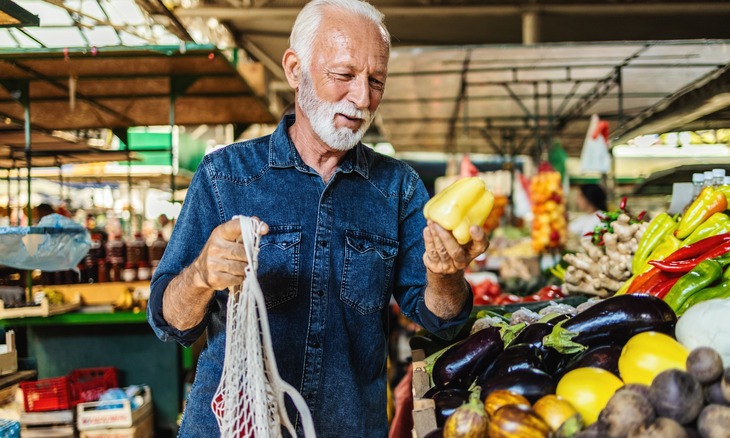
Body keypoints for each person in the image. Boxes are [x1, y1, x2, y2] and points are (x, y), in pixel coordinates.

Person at [147, 1, 489, 436]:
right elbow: (167, 321)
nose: (362, 98)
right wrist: (199, 276)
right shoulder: (225, 175)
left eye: (376, 81)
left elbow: (443, 319)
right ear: (295, 69)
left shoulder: (397, 187)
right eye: (344, 75)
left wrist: (445, 275)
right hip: (234, 425)